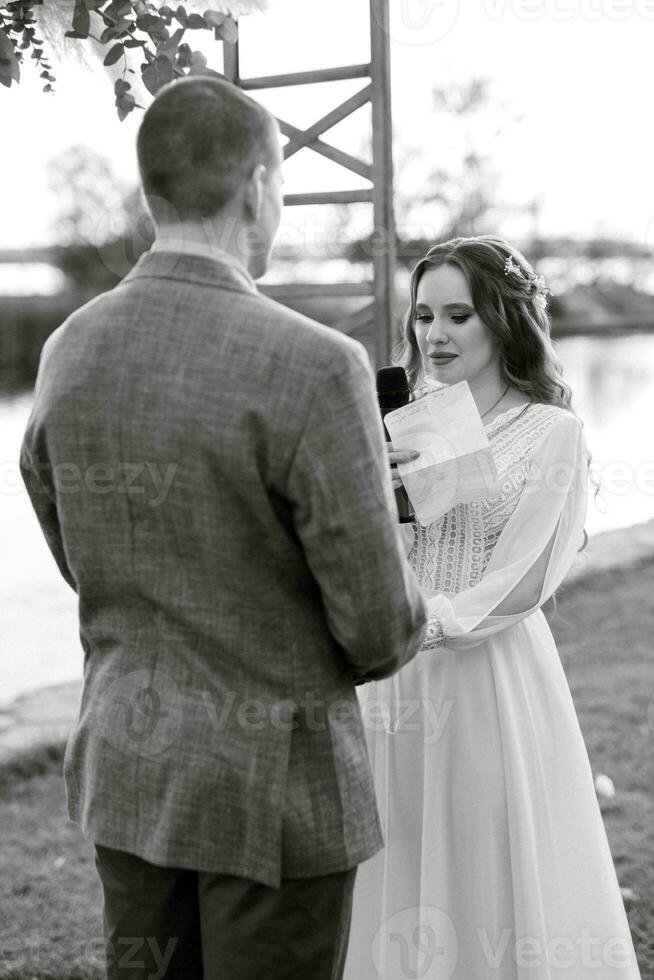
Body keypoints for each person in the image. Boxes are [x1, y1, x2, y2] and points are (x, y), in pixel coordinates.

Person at [19, 76, 428, 980]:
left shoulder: (66, 350)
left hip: (130, 770)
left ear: (153, 188)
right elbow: (379, 628)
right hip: (272, 796)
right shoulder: (318, 365)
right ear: (257, 187)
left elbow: (73, 543)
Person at [343, 236, 642, 979]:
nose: (435, 335)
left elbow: (526, 578)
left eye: (458, 316)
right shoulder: (396, 421)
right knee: (395, 859)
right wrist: (364, 493)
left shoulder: (553, 432)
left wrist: (424, 625)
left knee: (482, 861)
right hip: (390, 684)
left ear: (504, 321)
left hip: (487, 681)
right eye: (422, 317)